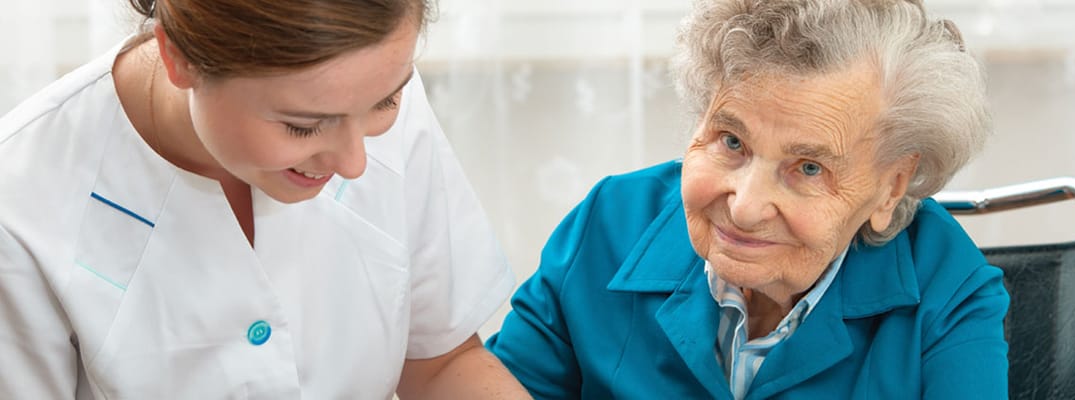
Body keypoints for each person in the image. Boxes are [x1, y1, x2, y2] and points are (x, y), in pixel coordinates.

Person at [0, 0, 530, 398]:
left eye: (386, 101)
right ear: (179, 57)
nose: (354, 162)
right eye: (303, 127)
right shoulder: (22, 205)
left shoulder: (355, 86)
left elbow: (439, 364)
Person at [485, 0, 1009, 398]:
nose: (744, 206)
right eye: (732, 141)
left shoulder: (948, 287)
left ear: (891, 186)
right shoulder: (609, 226)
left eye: (807, 168)